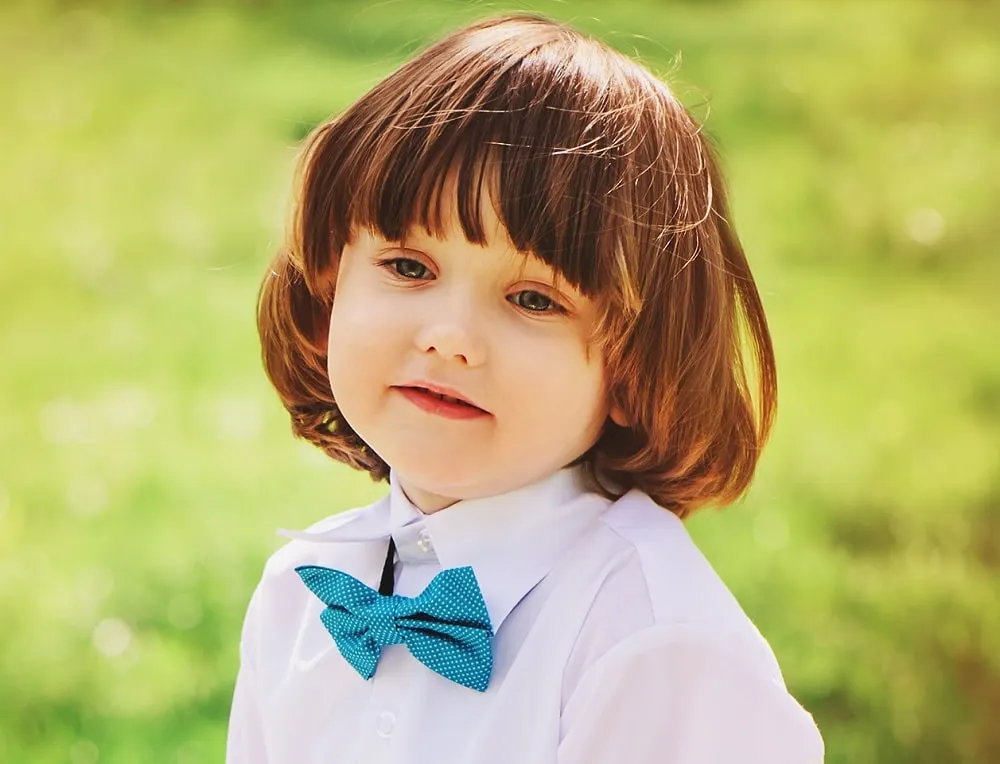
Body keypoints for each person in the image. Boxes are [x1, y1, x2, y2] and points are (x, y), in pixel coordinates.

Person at [226, 12, 824, 764]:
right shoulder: (302, 598)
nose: (448, 336)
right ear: (327, 287)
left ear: (634, 369)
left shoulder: (650, 645)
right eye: (409, 267)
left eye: (535, 300)